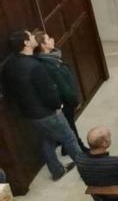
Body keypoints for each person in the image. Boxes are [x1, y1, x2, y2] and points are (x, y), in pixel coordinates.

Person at [2, 31, 82, 180]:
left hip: (29, 114)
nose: (34, 38)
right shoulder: (35, 66)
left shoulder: (10, 64)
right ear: (26, 43)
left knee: (47, 140)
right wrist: (58, 106)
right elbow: (48, 92)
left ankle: (56, 170)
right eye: (31, 37)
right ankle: (86, 166)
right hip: (46, 112)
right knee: (69, 137)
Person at [33, 30, 86, 152]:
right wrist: (75, 101)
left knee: (68, 124)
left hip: (63, 100)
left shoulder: (51, 57)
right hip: (64, 101)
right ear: (43, 46)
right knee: (70, 127)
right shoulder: (50, 64)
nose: (52, 39)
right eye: (48, 39)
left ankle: (65, 148)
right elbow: (64, 88)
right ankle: (80, 148)